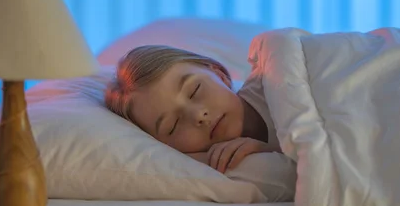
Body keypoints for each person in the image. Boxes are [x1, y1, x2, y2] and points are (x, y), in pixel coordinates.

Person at [105, 45, 282, 173]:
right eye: (173, 125)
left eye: (195, 90)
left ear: (219, 74)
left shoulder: (279, 78)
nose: (199, 115)